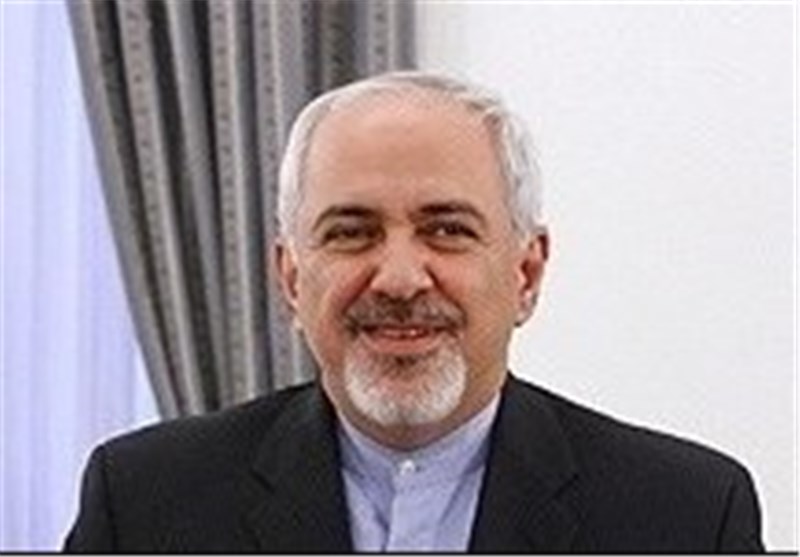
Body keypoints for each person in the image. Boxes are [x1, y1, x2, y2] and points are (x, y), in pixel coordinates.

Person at [63, 71, 764, 553]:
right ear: (290, 278)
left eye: (447, 229)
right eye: (351, 231)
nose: (399, 278)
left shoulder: (688, 517)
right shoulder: (143, 503)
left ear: (526, 272)